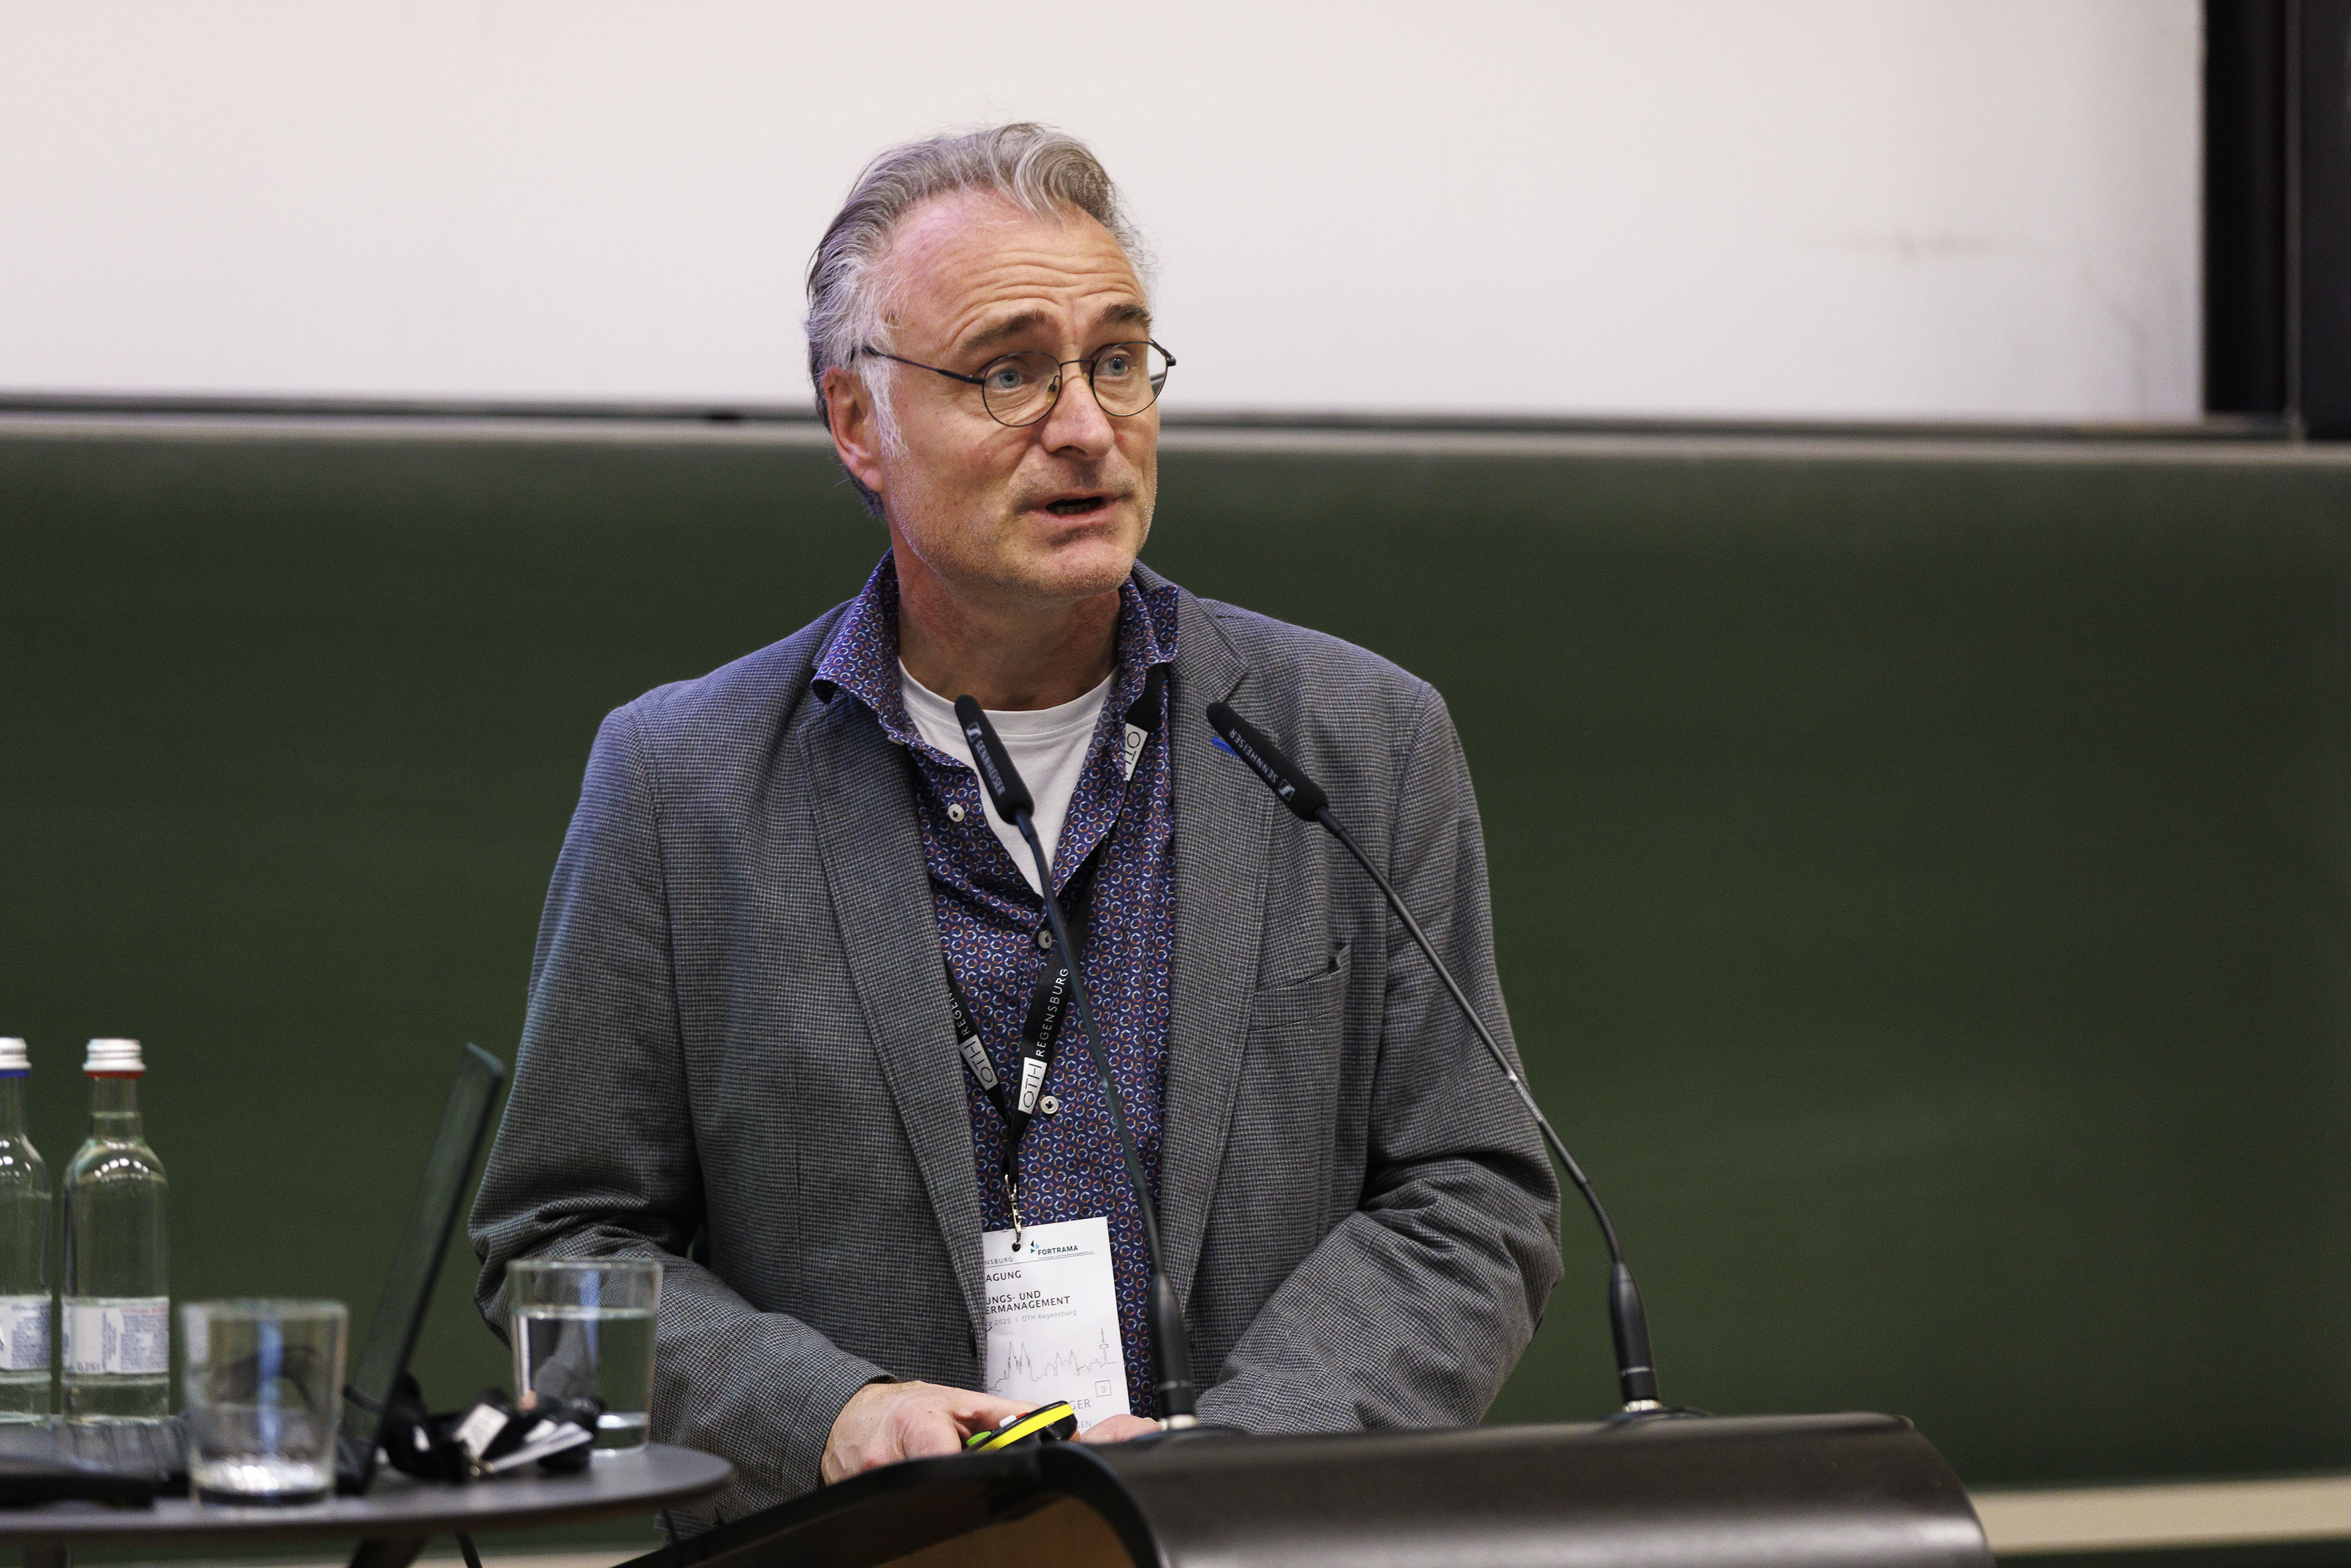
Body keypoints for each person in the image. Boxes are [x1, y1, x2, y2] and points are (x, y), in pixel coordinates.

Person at [470, 123, 1560, 1527]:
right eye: (1009, 371)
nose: (1086, 426)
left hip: (1249, 1553)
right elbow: (556, 1253)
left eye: (1117, 360)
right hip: (865, 1556)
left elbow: (1471, 1194)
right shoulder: (680, 782)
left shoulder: (1359, 744)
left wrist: (1239, 1464)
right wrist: (832, 1419)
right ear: (857, 422)